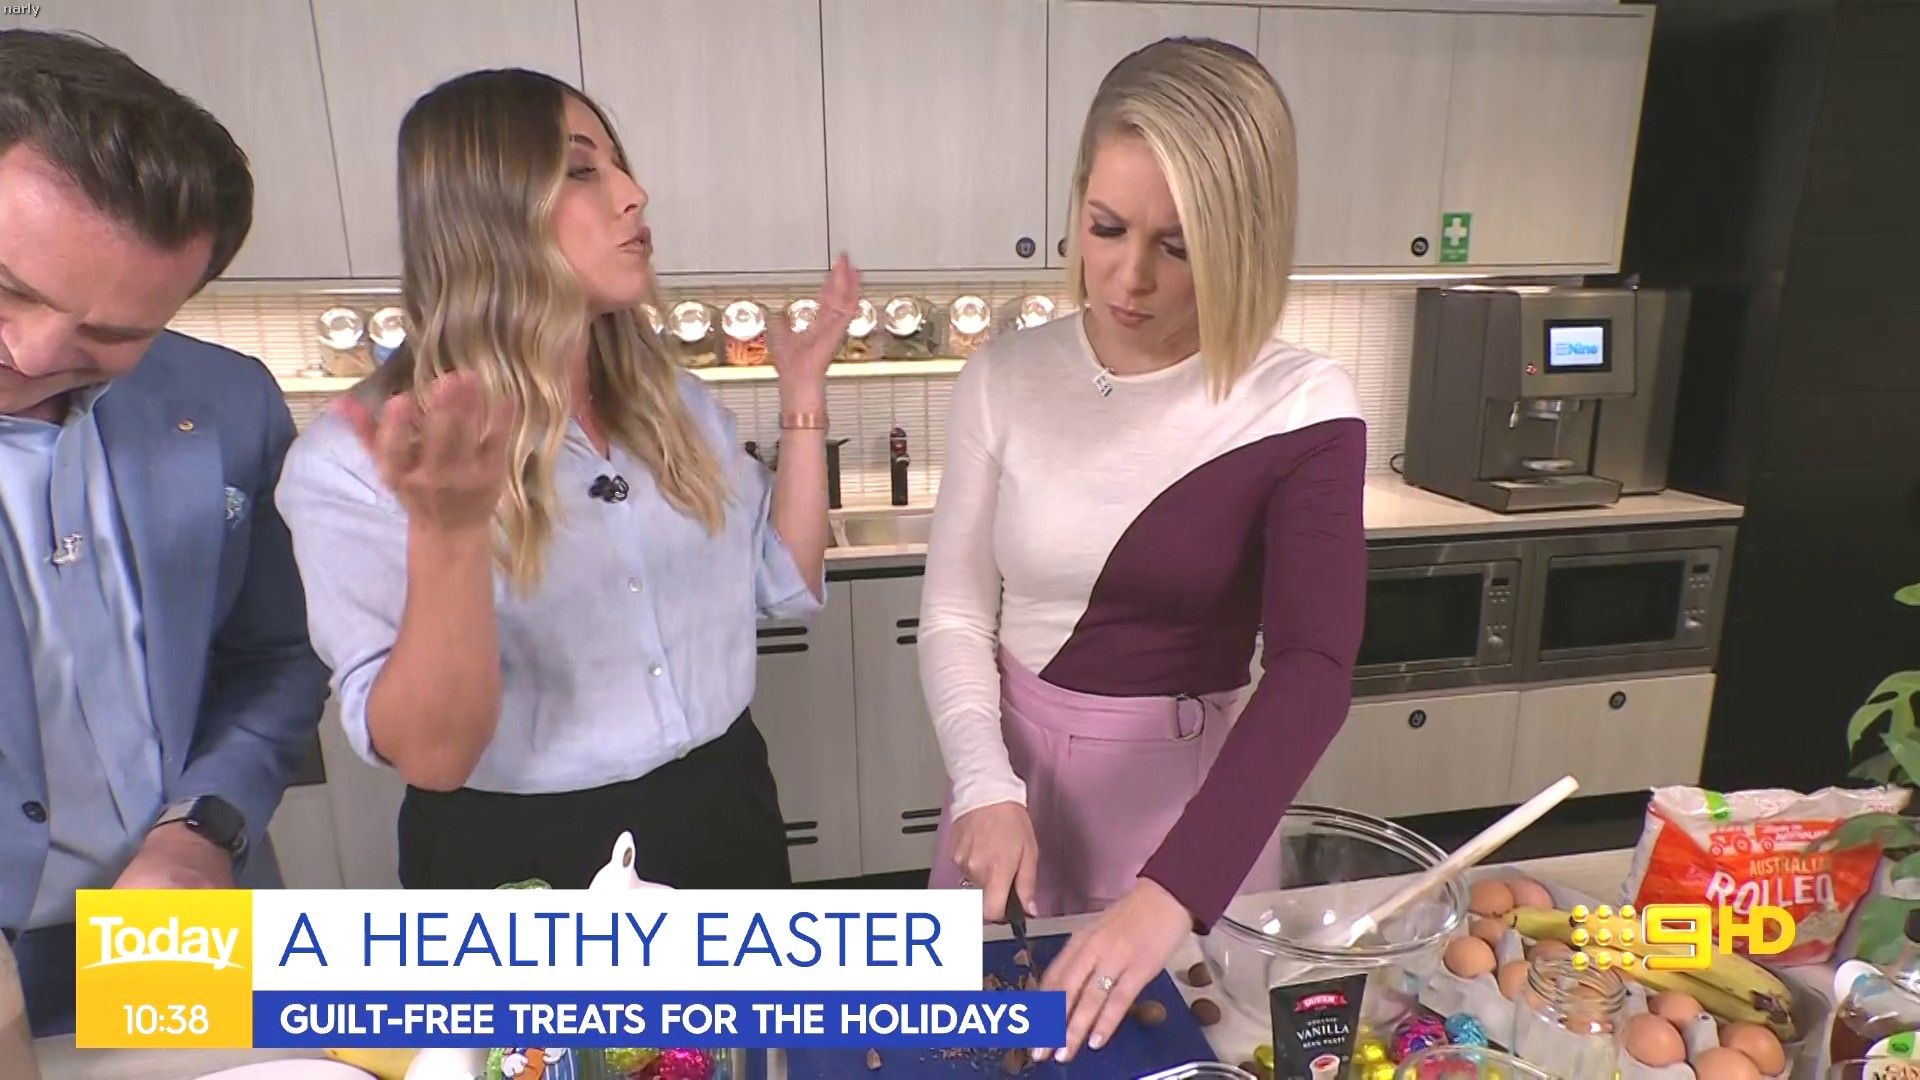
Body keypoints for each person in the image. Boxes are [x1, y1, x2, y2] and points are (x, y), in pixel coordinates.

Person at [277, 68, 857, 892]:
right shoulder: (360, 460)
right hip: (526, 853)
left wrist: (804, 399)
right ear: (487, 215)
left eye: (618, 163)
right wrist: (451, 532)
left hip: (723, 811)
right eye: (583, 169)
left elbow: (785, 583)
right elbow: (433, 756)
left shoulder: (677, 407)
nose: (634, 193)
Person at [917, 37, 1367, 1061]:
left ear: (1243, 239)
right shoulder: (1004, 377)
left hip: (1189, 810)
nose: (1128, 278)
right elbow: (954, 612)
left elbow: (1314, 665)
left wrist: (1172, 892)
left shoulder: (1298, 402)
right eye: (1106, 228)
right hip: (1010, 782)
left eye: (1179, 246)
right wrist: (983, 782)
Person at [0, 30, 331, 1036]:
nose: (34, 353)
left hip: (182, 927)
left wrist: (205, 825)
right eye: (8, 289)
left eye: (112, 335)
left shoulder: (229, 404)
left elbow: (276, 655)